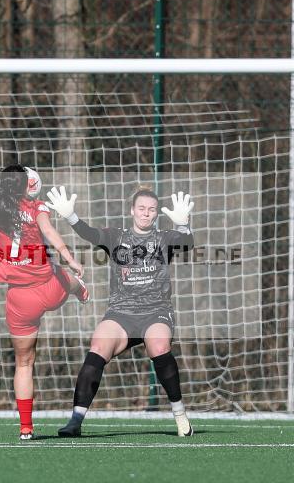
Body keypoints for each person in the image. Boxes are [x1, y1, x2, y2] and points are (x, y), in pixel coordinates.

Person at [0, 160, 89, 440]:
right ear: (28, 186)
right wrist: (70, 258)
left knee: (24, 363)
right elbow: (49, 233)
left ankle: (26, 427)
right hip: (50, 288)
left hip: (21, 300)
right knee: (62, 275)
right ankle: (78, 288)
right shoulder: (36, 208)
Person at [46, 184, 196, 438]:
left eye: (151, 210)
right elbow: (91, 234)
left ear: (157, 214)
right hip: (121, 314)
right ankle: (75, 421)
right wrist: (71, 216)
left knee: (159, 345)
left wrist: (183, 225)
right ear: (132, 211)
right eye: (141, 208)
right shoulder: (117, 237)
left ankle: (180, 415)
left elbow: (187, 244)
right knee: (98, 346)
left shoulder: (164, 238)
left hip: (155, 312)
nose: (146, 213)